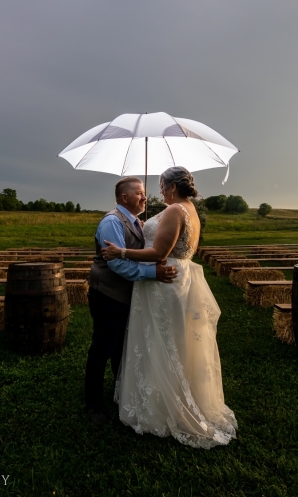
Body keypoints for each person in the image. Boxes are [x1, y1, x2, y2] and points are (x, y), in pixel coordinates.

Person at [102, 166, 237, 449]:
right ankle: (168, 396)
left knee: (161, 341)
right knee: (174, 341)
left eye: (162, 186)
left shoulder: (176, 211)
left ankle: (162, 406)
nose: (158, 191)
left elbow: (159, 253)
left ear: (173, 187)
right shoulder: (189, 209)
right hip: (180, 277)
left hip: (164, 282)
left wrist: (121, 251)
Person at [85, 176, 178, 426]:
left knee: (121, 348)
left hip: (126, 296)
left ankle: (120, 394)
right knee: (102, 348)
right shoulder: (112, 222)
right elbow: (116, 264)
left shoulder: (137, 221)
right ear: (124, 197)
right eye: (139, 193)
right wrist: (153, 273)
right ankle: (93, 404)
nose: (145, 197)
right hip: (107, 294)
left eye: (144, 192)